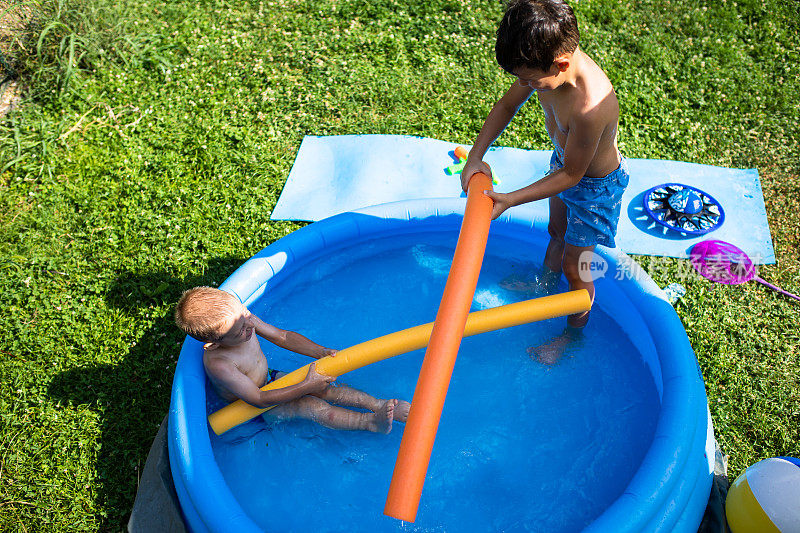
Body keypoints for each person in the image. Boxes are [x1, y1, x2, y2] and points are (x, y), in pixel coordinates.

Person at [460, 0, 629, 363]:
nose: (524, 86)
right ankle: (544, 283)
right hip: (564, 165)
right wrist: (476, 155)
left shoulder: (590, 106)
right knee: (555, 230)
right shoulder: (543, 65)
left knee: (577, 266)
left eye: (529, 80)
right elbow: (506, 106)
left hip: (594, 187)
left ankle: (571, 335)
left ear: (561, 64)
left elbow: (573, 175)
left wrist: (509, 199)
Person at [174, 286, 410, 433]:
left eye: (246, 315)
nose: (250, 326)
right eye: (241, 332)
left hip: (269, 381)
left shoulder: (240, 321)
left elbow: (283, 336)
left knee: (327, 388)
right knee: (314, 407)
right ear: (213, 344)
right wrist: (305, 386)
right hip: (252, 408)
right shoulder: (220, 364)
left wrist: (318, 351)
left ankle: (378, 405)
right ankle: (368, 423)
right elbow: (257, 398)